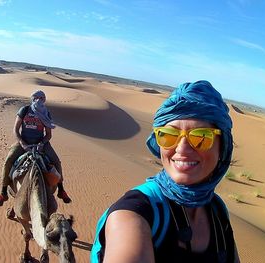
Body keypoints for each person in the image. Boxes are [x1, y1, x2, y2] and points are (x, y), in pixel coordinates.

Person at [91, 81, 240, 262]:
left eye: (201, 136)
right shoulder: (134, 212)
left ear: (223, 146)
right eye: (169, 135)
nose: (182, 149)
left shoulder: (217, 209)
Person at [0, 90, 72, 206]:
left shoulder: (46, 113)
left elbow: (49, 134)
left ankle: (61, 190)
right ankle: (3, 192)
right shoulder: (24, 110)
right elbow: (15, 130)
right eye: (37, 97)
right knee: (8, 161)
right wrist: (23, 144)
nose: (39, 100)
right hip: (24, 142)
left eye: (42, 98)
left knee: (56, 161)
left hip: (41, 144)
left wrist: (42, 143)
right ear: (33, 99)